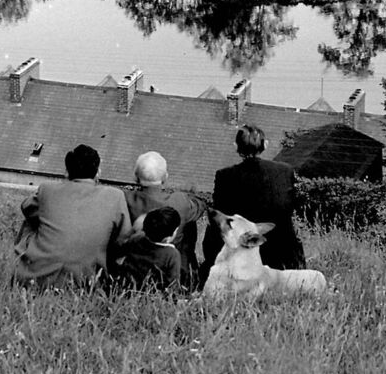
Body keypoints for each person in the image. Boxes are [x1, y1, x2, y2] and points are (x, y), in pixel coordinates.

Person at [13, 144, 131, 286]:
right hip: (86, 281)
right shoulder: (115, 196)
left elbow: (27, 207)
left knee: (32, 223)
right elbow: (124, 239)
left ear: (67, 172)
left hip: (37, 280)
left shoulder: (47, 189)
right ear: (97, 173)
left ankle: (23, 267)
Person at [201, 125, 305, 284]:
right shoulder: (285, 171)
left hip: (244, 253)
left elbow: (221, 214)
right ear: (265, 145)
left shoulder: (225, 175)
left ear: (236, 147)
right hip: (283, 254)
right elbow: (289, 207)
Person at [126, 151, 206, 288]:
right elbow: (200, 206)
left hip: (135, 270)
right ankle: (189, 272)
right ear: (165, 177)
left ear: (135, 177)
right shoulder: (179, 200)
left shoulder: (124, 199)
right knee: (189, 224)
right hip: (171, 268)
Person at [118, 207, 181, 292]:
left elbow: (123, 252)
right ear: (169, 236)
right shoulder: (172, 254)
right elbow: (173, 284)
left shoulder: (137, 238)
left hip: (128, 289)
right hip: (153, 295)